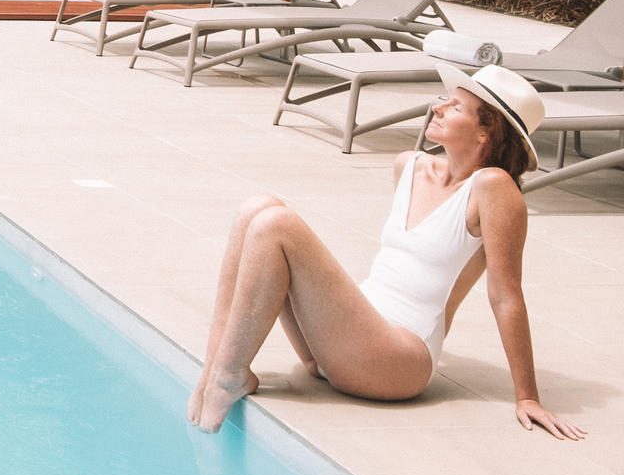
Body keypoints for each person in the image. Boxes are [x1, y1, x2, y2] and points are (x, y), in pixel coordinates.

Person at [189, 63, 585, 439]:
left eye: (457, 106)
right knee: (257, 208)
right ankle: (216, 369)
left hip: (399, 361)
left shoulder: (494, 189)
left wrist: (527, 395)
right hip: (343, 347)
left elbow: (505, 294)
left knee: (276, 225)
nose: (438, 106)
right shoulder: (409, 166)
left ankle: (228, 373)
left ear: (486, 132)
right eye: (445, 100)